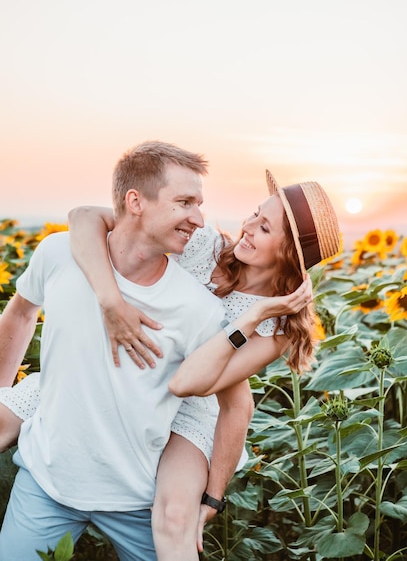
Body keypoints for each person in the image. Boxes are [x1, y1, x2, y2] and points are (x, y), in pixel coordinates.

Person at [0, 141, 255, 561]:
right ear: (135, 201)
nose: (198, 217)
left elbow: (235, 404)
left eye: (199, 203)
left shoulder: (197, 309)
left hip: (140, 500)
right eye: (184, 202)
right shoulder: (59, 254)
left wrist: (212, 499)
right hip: (45, 484)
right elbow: (20, 314)